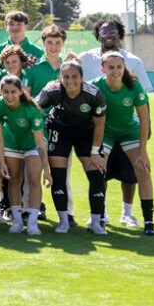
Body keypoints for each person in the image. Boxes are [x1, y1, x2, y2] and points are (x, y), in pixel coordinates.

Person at [36, 60, 109, 235]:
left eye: (75, 77)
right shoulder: (52, 90)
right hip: (59, 131)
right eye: (66, 77)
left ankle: (96, 222)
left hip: (86, 133)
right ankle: (63, 222)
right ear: (60, 78)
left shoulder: (93, 94)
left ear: (82, 78)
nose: (70, 81)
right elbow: (34, 107)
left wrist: (94, 153)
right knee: (58, 176)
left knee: (97, 175)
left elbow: (100, 125)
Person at [95, 51, 154, 234]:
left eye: (119, 67)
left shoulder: (135, 87)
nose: (115, 71)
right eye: (111, 67)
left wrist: (143, 152)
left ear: (124, 68)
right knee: (98, 171)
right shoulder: (95, 86)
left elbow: (144, 119)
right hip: (105, 133)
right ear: (102, 68)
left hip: (129, 132)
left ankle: (149, 222)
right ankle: (100, 215)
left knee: (143, 170)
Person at [0, 74, 49, 235]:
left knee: (33, 178)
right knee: (14, 180)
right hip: (11, 143)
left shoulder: (32, 110)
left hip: (33, 144)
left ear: (20, 91)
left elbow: (40, 143)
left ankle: (32, 222)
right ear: (0, 92)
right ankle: (17, 221)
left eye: (13, 91)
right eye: (5, 92)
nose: (9, 95)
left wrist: (46, 169)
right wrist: (2, 162)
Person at [79, 17, 152, 86]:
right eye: (104, 33)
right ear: (98, 36)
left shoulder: (135, 62)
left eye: (112, 32)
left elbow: (144, 91)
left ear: (120, 35)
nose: (108, 35)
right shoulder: (84, 58)